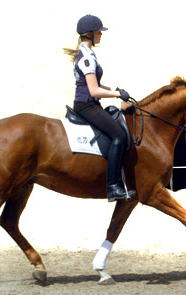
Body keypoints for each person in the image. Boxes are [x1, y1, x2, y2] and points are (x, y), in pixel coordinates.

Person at [63, 14, 136, 202]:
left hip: (87, 103)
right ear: (89, 34)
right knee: (118, 135)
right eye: (98, 32)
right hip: (87, 105)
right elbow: (94, 91)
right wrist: (117, 95)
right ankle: (113, 186)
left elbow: (94, 86)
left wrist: (115, 90)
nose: (101, 35)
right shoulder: (87, 58)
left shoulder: (86, 54)